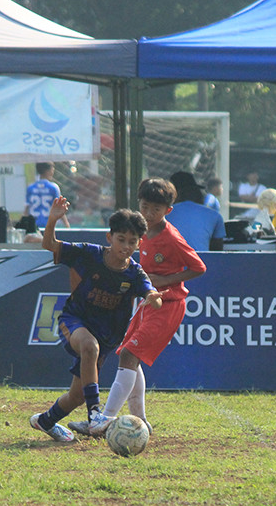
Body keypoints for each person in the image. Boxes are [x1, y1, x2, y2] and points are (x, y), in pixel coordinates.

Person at [71, 177, 206, 437]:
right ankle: (140, 420)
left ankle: (104, 420)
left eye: (156, 209)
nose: (149, 213)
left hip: (167, 305)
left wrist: (164, 281)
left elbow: (199, 267)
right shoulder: (140, 232)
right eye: (145, 206)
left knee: (128, 356)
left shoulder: (172, 238)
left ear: (168, 211)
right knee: (130, 356)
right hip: (147, 304)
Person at [28, 198, 162, 443]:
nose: (126, 246)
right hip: (74, 321)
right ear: (109, 238)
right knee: (89, 346)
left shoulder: (134, 272)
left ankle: (45, 421)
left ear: (139, 243)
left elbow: (148, 289)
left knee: (76, 395)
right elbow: (49, 244)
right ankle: (95, 415)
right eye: (121, 239)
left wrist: (153, 296)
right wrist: (52, 220)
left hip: (106, 336)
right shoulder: (89, 253)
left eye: (132, 242)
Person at [166, 171, 225, 251]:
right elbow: (217, 254)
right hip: (201, 262)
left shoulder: (163, 214)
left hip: (170, 262)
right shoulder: (215, 216)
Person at [25, 162, 70, 230]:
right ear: (47, 171)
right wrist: (67, 225)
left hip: (33, 226)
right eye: (52, 170)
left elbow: (26, 210)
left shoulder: (31, 188)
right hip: (49, 225)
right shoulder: (53, 188)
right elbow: (59, 208)